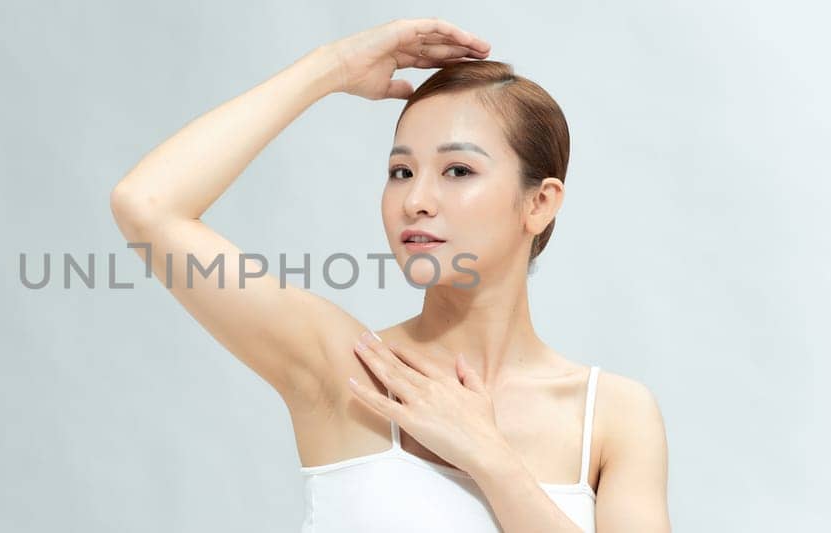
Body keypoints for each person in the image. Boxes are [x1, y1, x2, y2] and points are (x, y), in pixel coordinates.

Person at [109, 17, 670, 532]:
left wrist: (492, 461)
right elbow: (147, 204)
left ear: (540, 204)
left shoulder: (613, 415)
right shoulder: (347, 373)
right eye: (401, 171)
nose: (416, 200)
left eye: (458, 169)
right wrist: (330, 67)